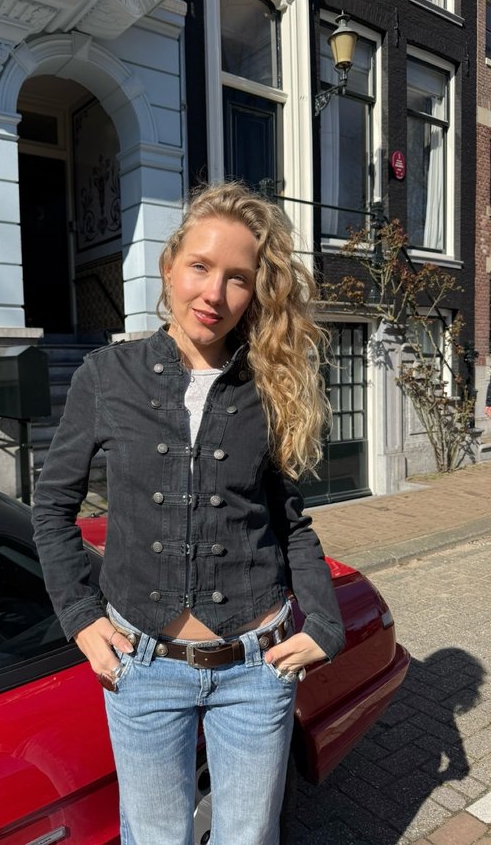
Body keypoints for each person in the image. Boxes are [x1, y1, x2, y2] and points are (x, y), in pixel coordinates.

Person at [32, 181, 345, 845]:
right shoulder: (105, 376)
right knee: (153, 837)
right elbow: (53, 504)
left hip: (257, 668)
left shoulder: (270, 385)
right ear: (170, 264)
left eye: (238, 278)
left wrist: (324, 620)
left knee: (250, 835)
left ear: (257, 291)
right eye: (201, 266)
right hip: (141, 665)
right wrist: (81, 618)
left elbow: (291, 522)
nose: (214, 293)